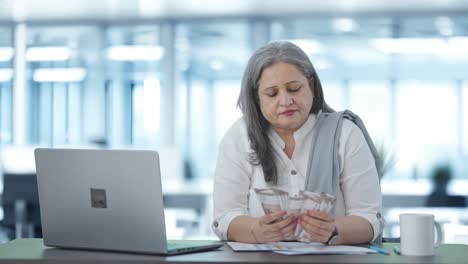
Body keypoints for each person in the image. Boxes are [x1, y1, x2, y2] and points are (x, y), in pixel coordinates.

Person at [212, 41, 384, 245]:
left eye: (294, 89)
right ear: (256, 98)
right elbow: (225, 217)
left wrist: (334, 229)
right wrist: (255, 230)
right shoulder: (239, 136)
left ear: (311, 86)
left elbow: (369, 218)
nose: (285, 101)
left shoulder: (346, 134)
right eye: (272, 94)